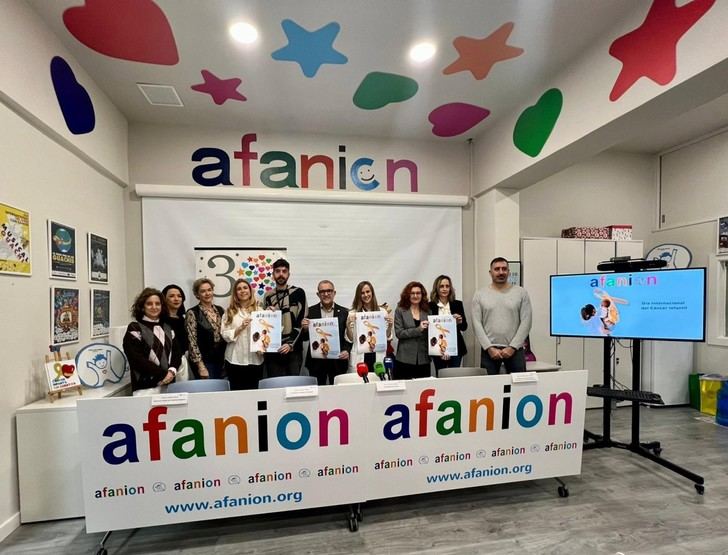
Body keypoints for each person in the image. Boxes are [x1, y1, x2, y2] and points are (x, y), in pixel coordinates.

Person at [472, 257, 532, 374]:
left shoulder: (521, 293)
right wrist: (489, 347)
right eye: (497, 269)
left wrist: (513, 347)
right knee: (489, 385)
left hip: (515, 350)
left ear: (508, 272)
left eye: (504, 269)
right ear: (490, 272)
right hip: (489, 351)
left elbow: (526, 321)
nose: (501, 272)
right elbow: (476, 323)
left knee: (518, 385)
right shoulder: (480, 294)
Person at [123, 287, 182, 395]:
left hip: (169, 385)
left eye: (157, 304)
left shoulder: (168, 328)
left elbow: (177, 353)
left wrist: (172, 371)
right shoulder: (135, 328)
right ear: (142, 307)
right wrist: (163, 375)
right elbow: (136, 359)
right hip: (145, 388)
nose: (154, 307)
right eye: (149, 304)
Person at [302, 280, 352, 385]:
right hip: (316, 362)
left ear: (334, 293)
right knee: (318, 392)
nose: (326, 294)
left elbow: (348, 336)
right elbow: (305, 338)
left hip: (338, 360)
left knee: (338, 392)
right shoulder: (310, 312)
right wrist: (305, 329)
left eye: (329, 291)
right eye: (322, 291)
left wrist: (347, 350)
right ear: (318, 294)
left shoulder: (345, 312)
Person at [263, 259, 307, 377]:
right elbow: (265, 325)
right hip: (273, 350)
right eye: (277, 271)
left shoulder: (298, 292)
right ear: (273, 274)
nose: (281, 274)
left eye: (284, 271)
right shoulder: (268, 296)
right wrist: (266, 314)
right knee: (274, 384)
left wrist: (290, 343)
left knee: (293, 384)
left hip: (294, 350)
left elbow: (301, 321)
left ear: (289, 274)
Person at [220, 279, 264, 390]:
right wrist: (240, 328)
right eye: (239, 289)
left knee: (254, 394)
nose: (242, 291)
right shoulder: (229, 312)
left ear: (250, 291)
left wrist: (272, 313)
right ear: (235, 293)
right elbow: (224, 334)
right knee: (236, 394)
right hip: (235, 360)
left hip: (255, 360)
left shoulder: (260, 311)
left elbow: (266, 333)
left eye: (245, 288)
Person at [346, 281, 393, 373]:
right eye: (362, 293)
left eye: (368, 292)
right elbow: (350, 339)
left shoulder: (382, 312)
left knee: (378, 379)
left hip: (377, 355)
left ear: (372, 293)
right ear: (358, 295)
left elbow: (386, 337)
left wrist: (390, 326)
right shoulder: (353, 313)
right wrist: (348, 325)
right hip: (360, 356)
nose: (366, 295)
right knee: (359, 380)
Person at [185, 278, 225, 379]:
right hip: (205, 362)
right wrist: (201, 366)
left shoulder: (220, 310)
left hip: (221, 360)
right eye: (203, 291)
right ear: (197, 294)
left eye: (209, 290)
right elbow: (192, 341)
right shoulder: (192, 313)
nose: (207, 293)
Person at [428, 274, 468, 375]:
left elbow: (464, 327)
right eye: (441, 286)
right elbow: (430, 330)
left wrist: (459, 322)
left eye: (447, 286)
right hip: (437, 348)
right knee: (440, 375)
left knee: (454, 376)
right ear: (436, 288)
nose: (445, 289)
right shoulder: (430, 306)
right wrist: (438, 350)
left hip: (456, 348)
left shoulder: (457, 304)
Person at [394, 281, 432, 379]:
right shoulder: (400, 310)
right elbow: (399, 333)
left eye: (418, 293)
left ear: (422, 295)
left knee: (423, 386)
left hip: (423, 358)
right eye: (412, 293)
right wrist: (418, 329)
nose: (415, 296)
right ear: (407, 295)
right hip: (405, 358)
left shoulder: (428, 311)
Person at [161, 284, 188, 354]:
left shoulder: (184, 319)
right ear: (164, 299)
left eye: (179, 296)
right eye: (171, 296)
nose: (176, 299)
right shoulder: (160, 320)